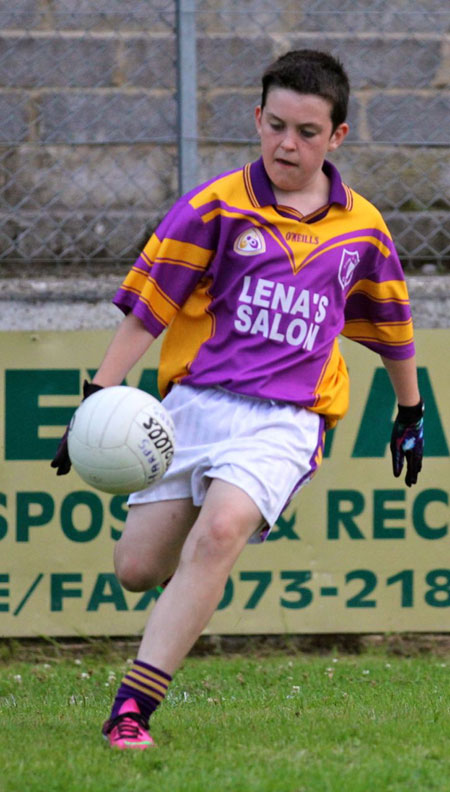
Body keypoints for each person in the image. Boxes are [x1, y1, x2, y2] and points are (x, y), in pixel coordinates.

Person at [51, 49, 424, 749]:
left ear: (338, 136)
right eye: (276, 125)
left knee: (220, 531)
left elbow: (394, 329)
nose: (288, 144)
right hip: (194, 406)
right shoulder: (214, 205)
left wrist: (410, 413)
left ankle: (131, 710)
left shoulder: (364, 228)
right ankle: (182, 548)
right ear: (257, 119)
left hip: (287, 419)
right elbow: (148, 307)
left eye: (308, 132)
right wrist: (97, 393)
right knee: (136, 571)